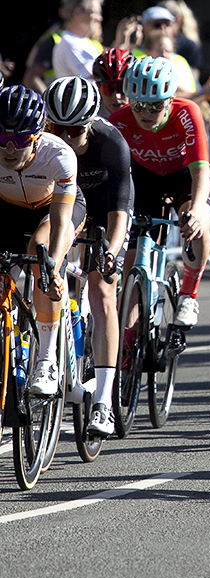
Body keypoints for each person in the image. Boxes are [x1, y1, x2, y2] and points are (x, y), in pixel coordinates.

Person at [44, 76, 134, 437]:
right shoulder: (47, 142)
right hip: (68, 206)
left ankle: (104, 402)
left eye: (76, 129)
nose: (66, 138)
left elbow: (121, 210)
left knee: (102, 290)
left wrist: (111, 252)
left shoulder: (111, 142)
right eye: (57, 128)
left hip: (106, 206)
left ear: (91, 121)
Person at [109, 56, 210, 328]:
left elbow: (201, 170)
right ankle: (128, 347)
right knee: (132, 261)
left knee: (198, 219)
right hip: (146, 180)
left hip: (184, 177)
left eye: (155, 106)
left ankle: (189, 295)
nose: (145, 113)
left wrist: (196, 210)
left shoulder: (187, 111)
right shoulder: (118, 121)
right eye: (138, 104)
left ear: (169, 100)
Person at [0, 86, 84, 397]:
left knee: (41, 252)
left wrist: (54, 268)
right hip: (8, 210)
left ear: (36, 136)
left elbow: (61, 222)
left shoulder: (59, 154)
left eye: (20, 141)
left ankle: (47, 359)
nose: (10, 150)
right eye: (3, 140)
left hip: (53, 209)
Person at [23, 0, 101, 93]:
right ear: (77, 13)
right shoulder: (57, 41)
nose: (99, 18)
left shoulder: (90, 42)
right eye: (95, 12)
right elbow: (31, 78)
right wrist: (52, 104)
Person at [92, 48, 133, 118]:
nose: (116, 97)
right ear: (98, 88)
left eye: (122, 88)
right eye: (108, 89)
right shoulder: (89, 114)